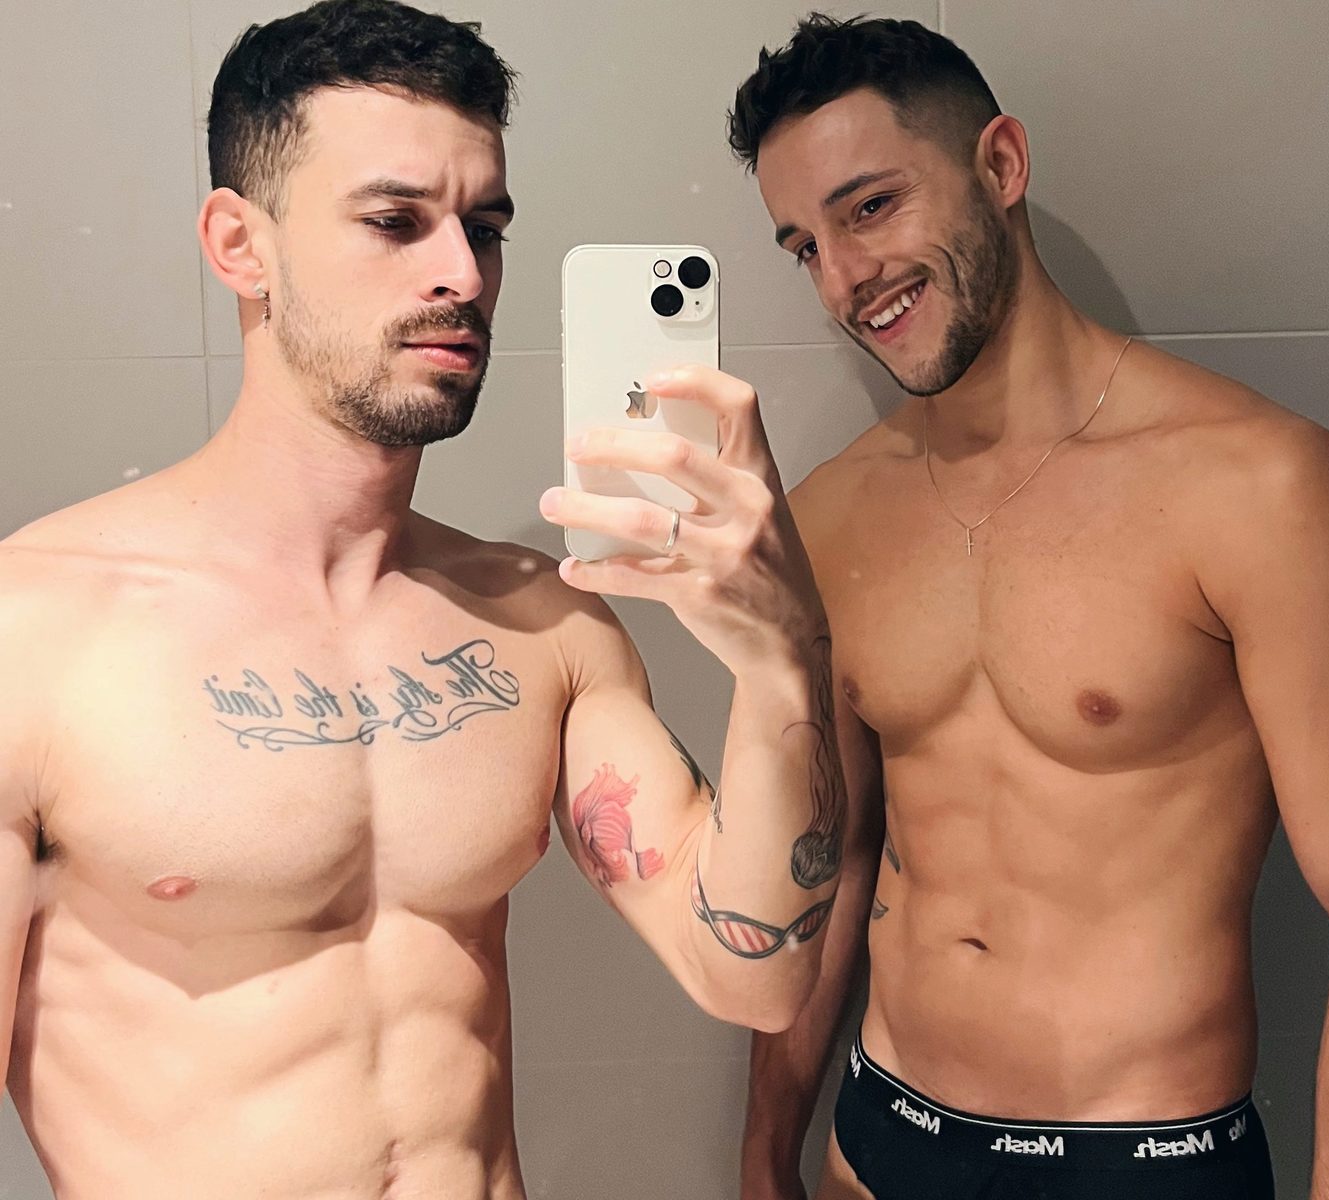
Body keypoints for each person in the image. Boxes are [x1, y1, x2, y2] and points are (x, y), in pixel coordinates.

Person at [0, 2, 842, 1194]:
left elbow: (750, 974)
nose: (462, 275)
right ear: (240, 245)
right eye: (394, 222)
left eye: (483, 228)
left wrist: (782, 655)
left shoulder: (541, 624)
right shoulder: (34, 633)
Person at [729, 16, 1329, 1200]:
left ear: (1001, 164)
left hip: (1141, 1158)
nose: (843, 276)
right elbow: (832, 860)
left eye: (871, 207)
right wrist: (764, 1159)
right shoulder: (826, 516)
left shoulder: (1262, 489)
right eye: (803, 245)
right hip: (878, 1138)